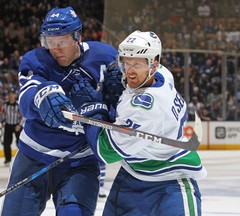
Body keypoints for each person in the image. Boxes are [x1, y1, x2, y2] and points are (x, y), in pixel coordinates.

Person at [70, 30, 207, 215]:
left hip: (171, 182)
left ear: (154, 64)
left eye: (137, 63)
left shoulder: (146, 109)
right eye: (126, 62)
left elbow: (105, 152)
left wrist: (92, 109)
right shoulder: (163, 75)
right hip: (131, 176)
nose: (129, 70)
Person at [0, 6, 117, 216]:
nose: (56, 49)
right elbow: (26, 100)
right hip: (33, 158)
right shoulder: (35, 60)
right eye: (49, 42)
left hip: (80, 162)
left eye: (61, 41)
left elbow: (120, 101)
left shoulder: (105, 57)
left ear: (78, 36)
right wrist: (41, 95)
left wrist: (106, 104)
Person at [0, 87, 23, 166]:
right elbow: (2, 114)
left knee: (19, 143)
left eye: (12, 94)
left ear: (15, 95)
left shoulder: (19, 105)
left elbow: (23, 115)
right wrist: (2, 121)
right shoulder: (5, 105)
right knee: (6, 143)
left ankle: (21, 159)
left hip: (16, 125)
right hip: (8, 125)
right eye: (10, 94)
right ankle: (7, 159)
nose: (11, 95)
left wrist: (20, 125)